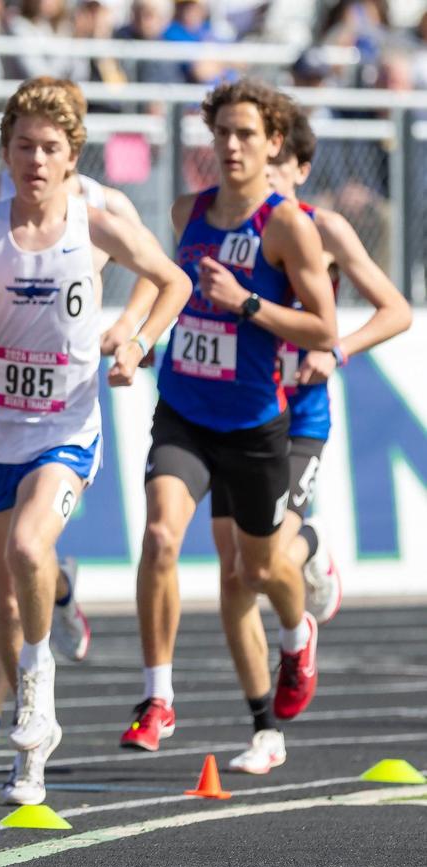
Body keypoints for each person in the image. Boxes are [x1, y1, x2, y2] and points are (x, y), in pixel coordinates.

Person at [0, 80, 191, 805]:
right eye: (23, 146)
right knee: (6, 594)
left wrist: (133, 338)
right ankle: (28, 744)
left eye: (50, 148)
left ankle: (35, 711)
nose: (35, 159)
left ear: (72, 157)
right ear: (5, 152)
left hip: (66, 428)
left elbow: (171, 278)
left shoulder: (94, 223)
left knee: (30, 547)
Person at [120, 78, 337, 757]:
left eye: (246, 134)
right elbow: (159, 283)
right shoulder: (189, 210)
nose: (233, 145)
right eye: (222, 133)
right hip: (184, 409)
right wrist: (137, 336)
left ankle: (297, 638)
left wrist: (246, 304)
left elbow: (323, 328)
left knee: (259, 570)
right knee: (159, 536)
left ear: (274, 142)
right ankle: (158, 698)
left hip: (253, 423)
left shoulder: (286, 224)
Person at [221, 103, 411, 774]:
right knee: (241, 572)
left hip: (298, 413)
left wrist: (338, 350)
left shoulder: (322, 228)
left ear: (300, 167)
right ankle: (261, 726)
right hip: (236, 408)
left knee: (267, 555)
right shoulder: (229, 221)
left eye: (277, 166)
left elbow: (396, 310)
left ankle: (309, 576)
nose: (262, 176)